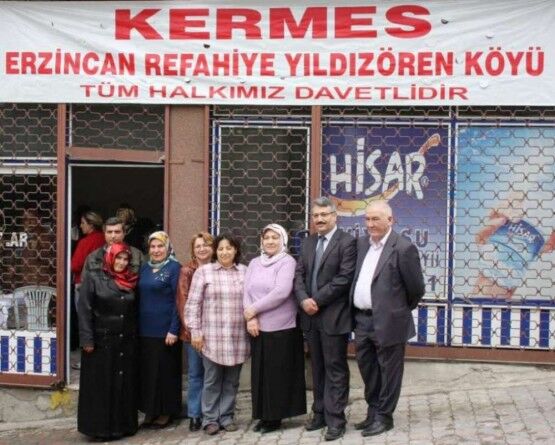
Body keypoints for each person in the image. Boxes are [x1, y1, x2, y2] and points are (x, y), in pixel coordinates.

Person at [351, 200, 425, 437]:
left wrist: (395, 311)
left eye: (375, 219)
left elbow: (416, 289)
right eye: (367, 219)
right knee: (368, 369)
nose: (370, 224)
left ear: (390, 220)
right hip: (362, 321)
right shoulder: (362, 244)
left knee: (389, 372)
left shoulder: (403, 248)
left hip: (390, 322)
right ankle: (373, 412)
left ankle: (384, 417)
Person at [294, 197, 356, 441]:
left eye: (324, 215)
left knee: (335, 368)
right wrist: (303, 299)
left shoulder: (347, 242)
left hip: (333, 316)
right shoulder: (308, 242)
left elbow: (344, 278)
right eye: (316, 215)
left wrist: (316, 300)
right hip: (310, 317)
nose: (319, 219)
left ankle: (336, 419)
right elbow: (298, 275)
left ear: (334, 216)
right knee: (317, 368)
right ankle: (319, 412)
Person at [244, 224, 306, 434]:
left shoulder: (287, 262)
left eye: (275, 237)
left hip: (281, 328)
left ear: (283, 241)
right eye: (266, 237)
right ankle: (263, 415)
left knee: (277, 375)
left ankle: (275, 417)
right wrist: (250, 317)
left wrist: (253, 309)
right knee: (260, 374)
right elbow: (246, 291)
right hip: (257, 327)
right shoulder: (254, 263)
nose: (270, 241)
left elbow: (281, 292)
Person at [185, 233, 249, 436]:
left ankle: (227, 416)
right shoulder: (204, 272)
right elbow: (192, 305)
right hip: (211, 338)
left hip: (237, 337)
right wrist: (195, 332)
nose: (224, 252)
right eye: (220, 249)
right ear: (215, 251)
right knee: (212, 380)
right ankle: (210, 419)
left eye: (229, 248)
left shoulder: (245, 272)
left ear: (235, 250)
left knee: (232, 381)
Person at [77, 242, 139, 440]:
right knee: (101, 386)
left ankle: (122, 426)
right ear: (110, 258)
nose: (122, 262)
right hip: (100, 342)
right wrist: (87, 340)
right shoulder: (94, 278)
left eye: (125, 259)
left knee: (121, 385)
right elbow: (84, 309)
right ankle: (100, 429)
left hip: (124, 342)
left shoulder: (130, 280)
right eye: (118, 258)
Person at [138, 231, 182, 428]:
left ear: (167, 247)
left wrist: (174, 329)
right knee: (148, 373)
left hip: (166, 331)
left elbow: (178, 301)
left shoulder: (174, 268)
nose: (156, 250)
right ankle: (151, 410)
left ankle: (166, 411)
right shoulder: (145, 268)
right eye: (153, 246)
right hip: (145, 330)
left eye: (160, 246)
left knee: (165, 372)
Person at [176, 231, 214, 432]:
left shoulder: (219, 268)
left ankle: (211, 413)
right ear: (193, 250)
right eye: (198, 246)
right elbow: (182, 301)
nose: (202, 249)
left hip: (215, 332)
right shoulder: (187, 271)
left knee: (213, 375)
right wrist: (192, 331)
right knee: (196, 374)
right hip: (193, 333)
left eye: (205, 244)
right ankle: (194, 414)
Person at [70, 210, 104, 362]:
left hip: (83, 284)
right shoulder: (104, 239)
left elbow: (75, 265)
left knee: (85, 321)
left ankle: (87, 358)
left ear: (91, 225)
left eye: (83, 223)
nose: (80, 226)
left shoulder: (85, 242)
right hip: (103, 286)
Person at [82, 216, 143, 281]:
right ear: (104, 234)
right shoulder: (93, 257)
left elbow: (143, 282)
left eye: (117, 232)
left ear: (124, 233)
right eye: (109, 232)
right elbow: (85, 283)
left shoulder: (137, 254)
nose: (113, 236)